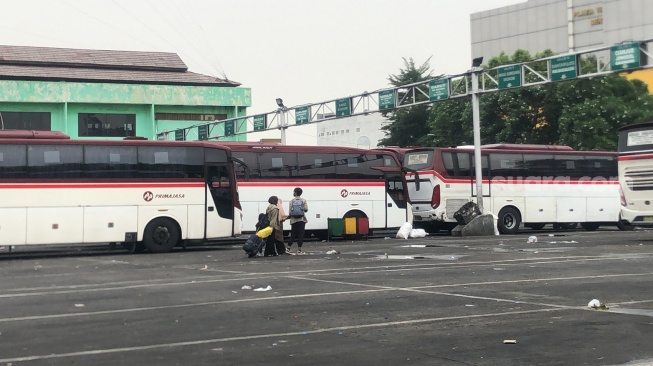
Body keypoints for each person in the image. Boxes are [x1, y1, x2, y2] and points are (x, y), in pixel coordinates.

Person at [286, 187, 308, 255]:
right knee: (300, 235)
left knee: (293, 235)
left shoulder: (291, 201)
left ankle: (288, 248)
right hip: (301, 220)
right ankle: (299, 250)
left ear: (295, 193)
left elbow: (290, 212)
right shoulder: (303, 200)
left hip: (293, 220)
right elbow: (306, 209)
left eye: (294, 192)